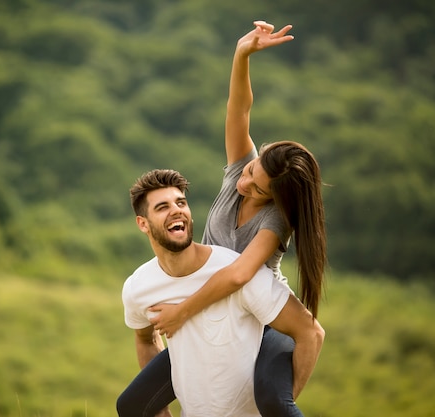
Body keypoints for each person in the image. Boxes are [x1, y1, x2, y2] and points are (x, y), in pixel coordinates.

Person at [117, 21, 327, 417]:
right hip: (212, 306)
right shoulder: (242, 173)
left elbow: (237, 275)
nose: (244, 183)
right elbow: (239, 108)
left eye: (258, 187)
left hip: (261, 320)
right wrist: (242, 54)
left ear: (276, 199)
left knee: (271, 399)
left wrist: (182, 311)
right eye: (250, 171)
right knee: (132, 404)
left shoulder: (275, 221)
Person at [120, 169, 324, 417]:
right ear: (143, 224)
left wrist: (279, 406)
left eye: (181, 203)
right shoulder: (139, 287)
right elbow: (145, 338)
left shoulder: (235, 271)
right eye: (162, 207)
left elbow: (311, 332)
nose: (176, 210)